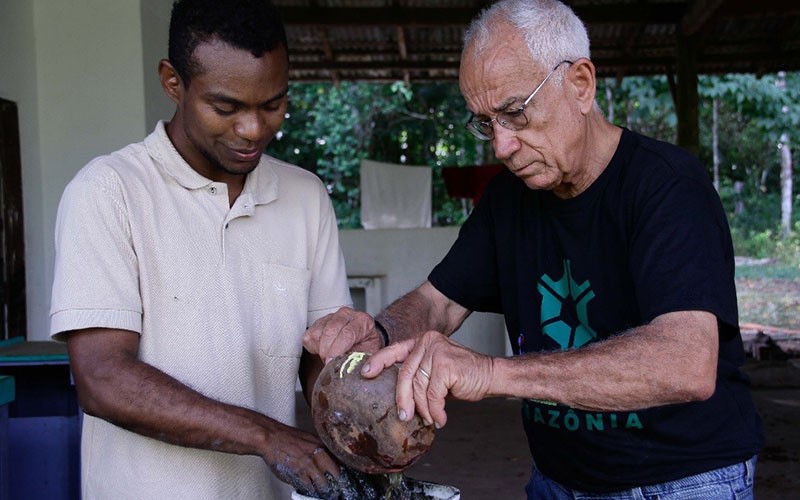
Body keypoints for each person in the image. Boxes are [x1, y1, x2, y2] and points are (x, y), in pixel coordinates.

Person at [304, 0, 765, 498]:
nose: (501, 147)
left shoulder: (668, 186)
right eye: (486, 123)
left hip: (681, 480)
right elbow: (439, 302)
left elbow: (685, 363)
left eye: (515, 113)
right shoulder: (509, 199)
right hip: (558, 479)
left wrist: (489, 372)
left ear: (580, 84)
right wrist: (378, 332)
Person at [49, 1, 355, 498]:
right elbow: (102, 378)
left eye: (272, 104)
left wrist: (365, 417)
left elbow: (323, 357)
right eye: (226, 108)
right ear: (173, 83)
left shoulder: (305, 196)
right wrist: (266, 436)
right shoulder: (108, 191)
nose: (253, 129)